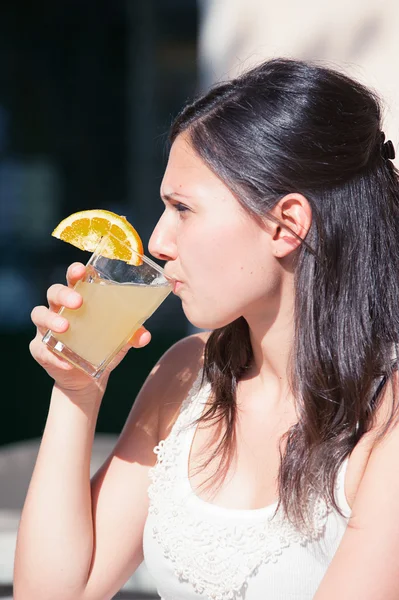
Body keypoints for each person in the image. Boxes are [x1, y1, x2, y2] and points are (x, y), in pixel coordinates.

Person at [14, 58, 399, 600]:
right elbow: (54, 594)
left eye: (183, 208)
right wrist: (76, 387)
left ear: (286, 224)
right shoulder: (187, 374)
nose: (157, 241)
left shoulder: (386, 418)